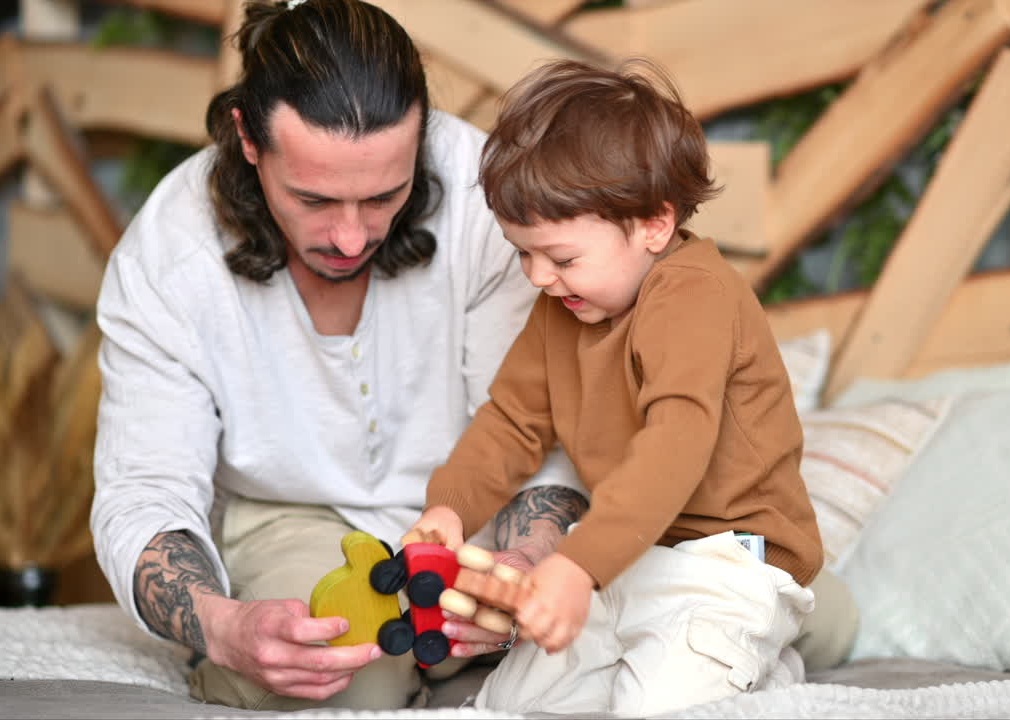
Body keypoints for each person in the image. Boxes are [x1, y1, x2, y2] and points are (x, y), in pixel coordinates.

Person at [90, 0, 587, 712]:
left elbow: (540, 432)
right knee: (352, 672)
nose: (352, 239)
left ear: (421, 142)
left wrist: (527, 568)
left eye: (386, 195)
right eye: (314, 199)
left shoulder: (492, 200)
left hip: (478, 512)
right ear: (248, 139)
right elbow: (144, 492)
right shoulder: (170, 254)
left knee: (644, 641)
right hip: (289, 515)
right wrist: (225, 629)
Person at [408, 58, 856, 717]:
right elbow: (511, 421)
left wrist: (574, 565)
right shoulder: (563, 309)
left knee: (659, 706)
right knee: (513, 703)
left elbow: (676, 445)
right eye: (521, 253)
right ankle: (737, 662)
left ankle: (757, 665)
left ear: (654, 224)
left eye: (560, 257)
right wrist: (449, 509)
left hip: (728, 563)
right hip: (625, 555)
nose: (537, 277)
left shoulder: (693, 295)